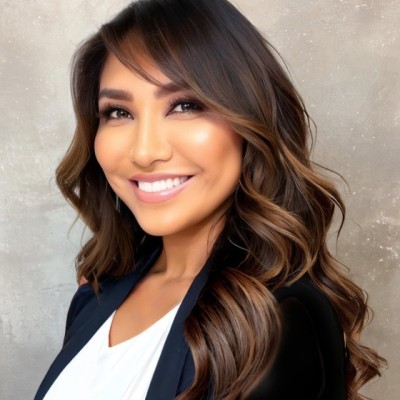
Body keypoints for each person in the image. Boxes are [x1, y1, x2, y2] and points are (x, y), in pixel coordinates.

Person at [35, 0, 386, 399]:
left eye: (185, 105)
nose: (145, 152)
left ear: (250, 122)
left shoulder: (277, 320)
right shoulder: (97, 295)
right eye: (118, 112)